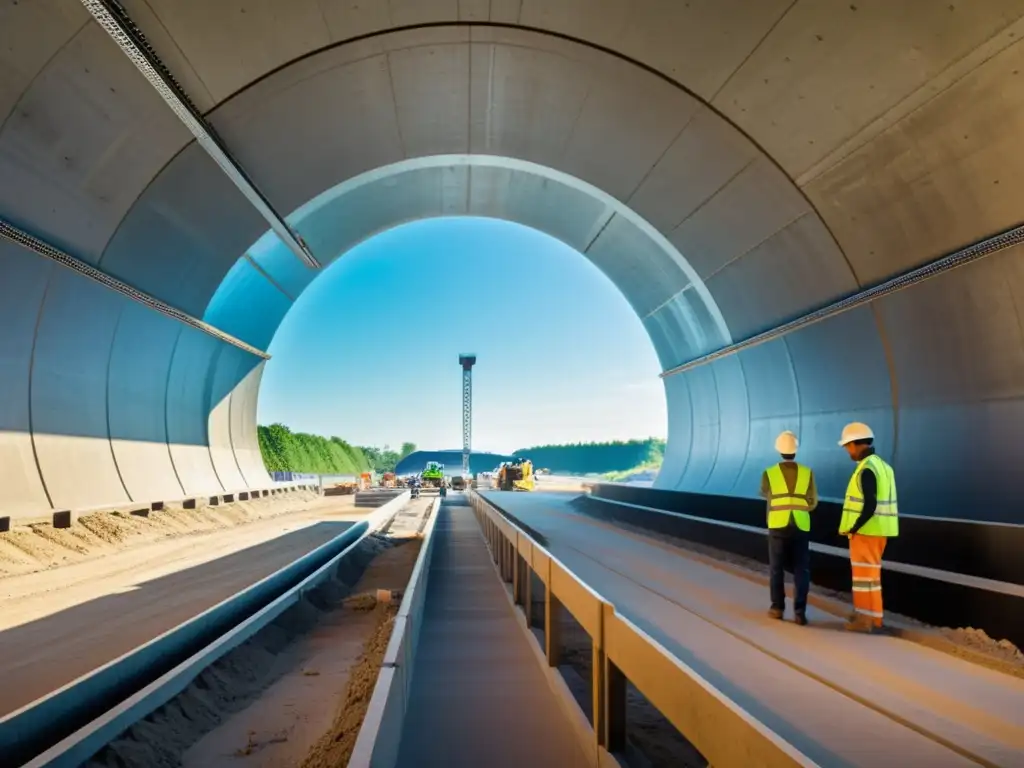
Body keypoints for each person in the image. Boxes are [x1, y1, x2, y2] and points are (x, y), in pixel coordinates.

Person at [838, 423, 899, 633]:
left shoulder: (866, 469)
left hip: (866, 532)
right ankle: (875, 619)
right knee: (872, 577)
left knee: (862, 578)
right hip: (881, 530)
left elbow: (870, 504)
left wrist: (854, 527)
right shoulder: (884, 467)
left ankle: (863, 620)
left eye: (848, 446)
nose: (848, 451)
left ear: (856, 444)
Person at [759, 430, 817, 625]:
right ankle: (800, 613)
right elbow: (813, 501)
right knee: (802, 569)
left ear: (779, 450)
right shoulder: (807, 472)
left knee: (776, 568)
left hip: (777, 525)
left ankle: (777, 608)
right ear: (796, 450)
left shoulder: (769, 473)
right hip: (801, 525)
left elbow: (764, 494)